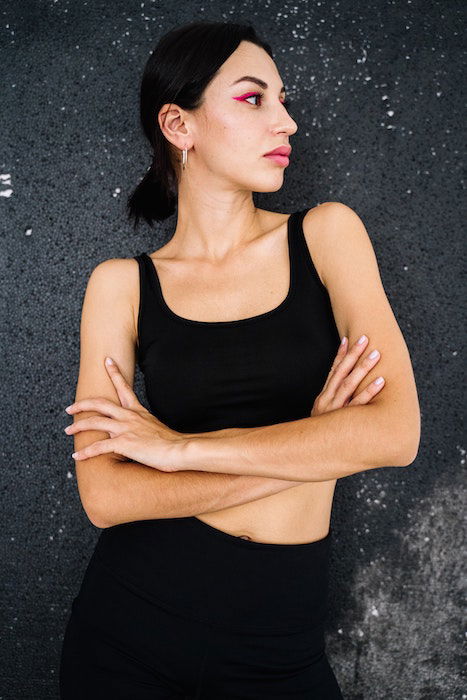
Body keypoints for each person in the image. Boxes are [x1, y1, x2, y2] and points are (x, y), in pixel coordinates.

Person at [59, 20, 420, 699]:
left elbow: (395, 435)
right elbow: (107, 497)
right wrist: (316, 445)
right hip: (131, 634)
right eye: (254, 99)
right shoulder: (121, 286)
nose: (285, 122)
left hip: (278, 651)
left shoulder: (327, 235)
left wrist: (179, 452)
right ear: (178, 124)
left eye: (282, 100)